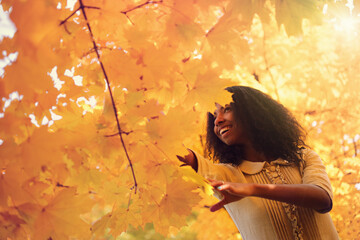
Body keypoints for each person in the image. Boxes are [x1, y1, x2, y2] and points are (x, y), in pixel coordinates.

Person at [178, 86, 339, 240]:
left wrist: (252, 188)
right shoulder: (225, 175)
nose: (217, 120)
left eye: (226, 109)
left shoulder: (303, 157)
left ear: (253, 112)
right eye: (214, 116)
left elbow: (322, 199)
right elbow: (175, 152)